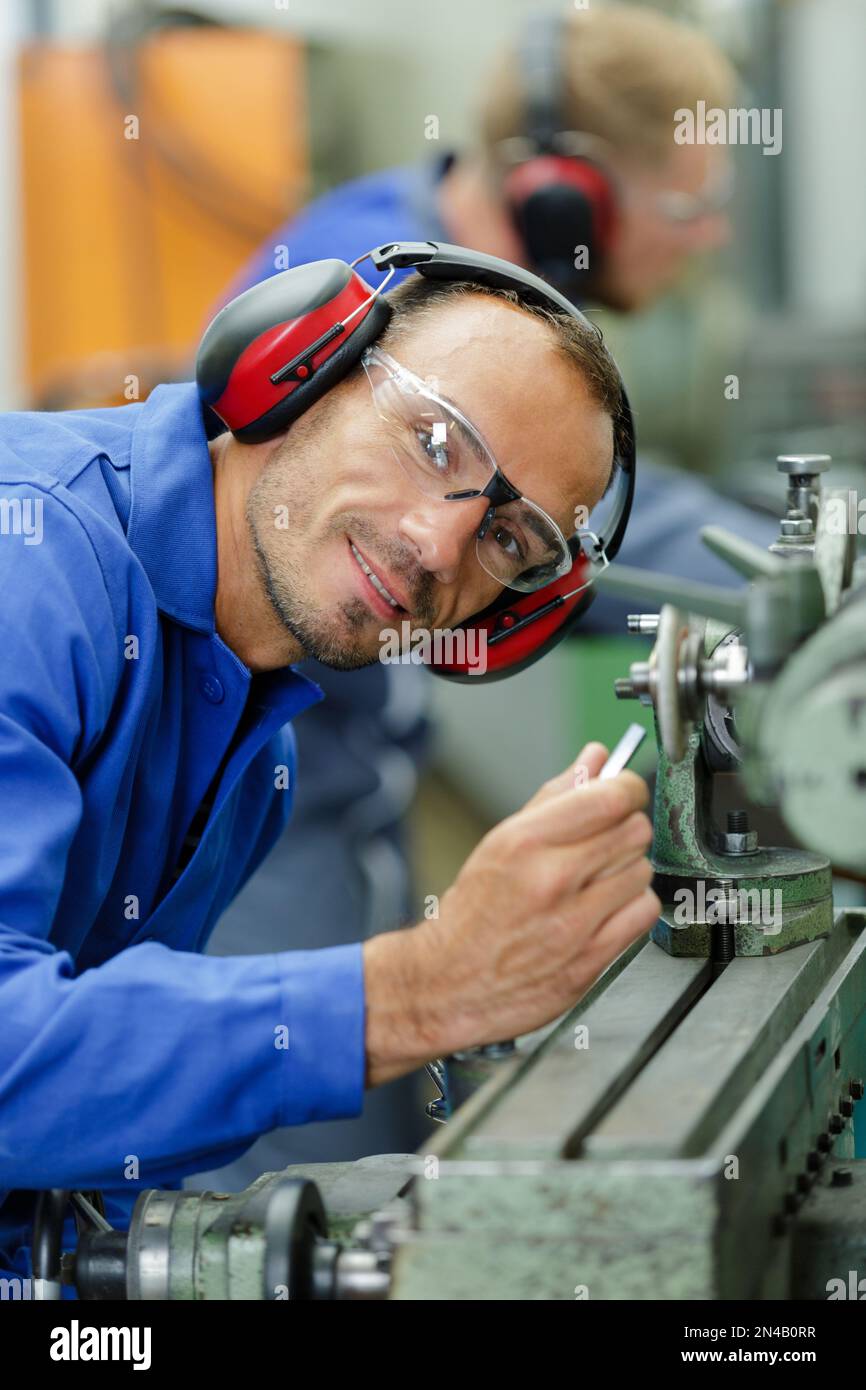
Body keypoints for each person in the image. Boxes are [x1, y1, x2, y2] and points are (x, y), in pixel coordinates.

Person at [194, 4, 775, 1185]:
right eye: (683, 208)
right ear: (569, 199)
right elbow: (570, 537)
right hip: (265, 804)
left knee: (395, 1151)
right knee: (307, 1187)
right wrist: (770, 589)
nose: (704, 239)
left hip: (348, 783)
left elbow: (573, 524)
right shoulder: (367, 295)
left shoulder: (467, 285)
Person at [0, 248, 660, 1287]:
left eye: (508, 537)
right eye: (434, 440)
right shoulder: (30, 563)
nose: (440, 546)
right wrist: (421, 990)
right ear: (301, 363)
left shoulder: (254, 747)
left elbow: (81, 1139)